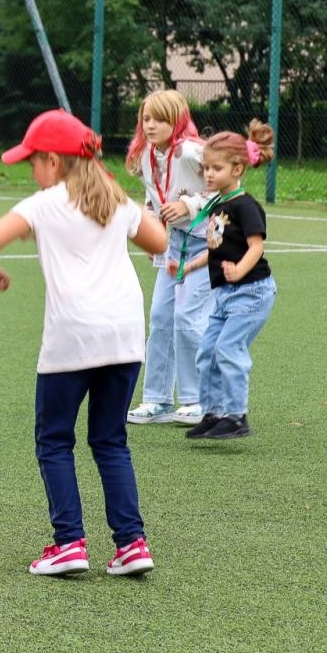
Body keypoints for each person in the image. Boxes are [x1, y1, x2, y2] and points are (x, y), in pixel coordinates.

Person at [0, 109, 167, 577]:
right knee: (110, 440)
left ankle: (68, 543)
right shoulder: (117, 200)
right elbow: (159, 242)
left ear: (53, 162)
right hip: (123, 336)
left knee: (55, 440)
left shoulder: (44, 204)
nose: (31, 172)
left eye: (32, 163)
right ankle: (131, 543)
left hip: (72, 338)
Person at [180, 121, 277, 442]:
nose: (208, 174)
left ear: (237, 168)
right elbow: (216, 249)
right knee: (207, 352)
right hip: (225, 295)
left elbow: (256, 247)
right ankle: (213, 413)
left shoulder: (246, 206)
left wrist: (240, 269)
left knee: (228, 348)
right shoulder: (217, 206)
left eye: (216, 168)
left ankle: (236, 416)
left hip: (251, 293)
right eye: (205, 168)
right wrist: (187, 266)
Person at [123, 90, 213, 426]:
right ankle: (157, 400)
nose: (150, 125)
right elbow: (152, 202)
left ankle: (200, 400)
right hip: (174, 245)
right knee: (160, 318)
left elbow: (224, 186)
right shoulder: (146, 156)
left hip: (207, 245)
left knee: (188, 320)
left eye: (159, 119)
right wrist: (150, 234)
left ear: (176, 121)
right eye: (145, 118)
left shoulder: (192, 151)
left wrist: (189, 206)